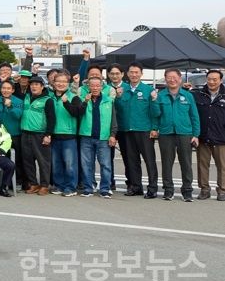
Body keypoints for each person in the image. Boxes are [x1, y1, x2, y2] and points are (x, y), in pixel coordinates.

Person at [151, 68, 201, 202]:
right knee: (167, 163)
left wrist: (196, 134)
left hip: (185, 133)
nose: (172, 80)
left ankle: (187, 191)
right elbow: (156, 115)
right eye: (169, 77)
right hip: (166, 132)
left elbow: (194, 115)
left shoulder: (188, 95)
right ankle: (168, 190)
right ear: (165, 79)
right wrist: (154, 102)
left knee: (186, 163)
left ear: (180, 79)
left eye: (174, 77)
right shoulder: (160, 95)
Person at [117, 63, 159, 197]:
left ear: (141, 74)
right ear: (127, 74)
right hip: (127, 130)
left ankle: (152, 188)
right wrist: (117, 97)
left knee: (149, 160)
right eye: (131, 72)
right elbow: (117, 110)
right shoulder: (122, 89)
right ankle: (136, 187)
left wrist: (154, 128)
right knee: (132, 160)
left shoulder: (148, 90)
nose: (134, 75)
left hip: (144, 130)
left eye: (136, 72)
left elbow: (155, 112)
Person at [78, 76, 118, 198]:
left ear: (101, 87)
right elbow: (78, 113)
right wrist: (85, 101)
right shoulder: (83, 99)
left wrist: (112, 135)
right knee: (86, 164)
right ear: (88, 87)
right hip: (86, 137)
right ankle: (88, 188)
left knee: (105, 164)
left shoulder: (108, 100)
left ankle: (105, 189)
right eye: (92, 85)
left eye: (97, 85)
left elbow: (113, 120)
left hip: (103, 137)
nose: (95, 88)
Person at [45, 73, 84, 197]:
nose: (60, 84)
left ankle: (71, 187)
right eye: (58, 81)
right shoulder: (50, 98)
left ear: (68, 83)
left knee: (70, 164)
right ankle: (59, 185)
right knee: (56, 163)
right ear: (53, 82)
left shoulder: (74, 97)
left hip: (69, 136)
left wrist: (66, 103)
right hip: (55, 135)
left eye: (64, 82)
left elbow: (77, 113)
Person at [193, 70, 224, 201]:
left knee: (222, 165)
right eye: (209, 79)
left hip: (221, 137)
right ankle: (204, 189)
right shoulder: (198, 94)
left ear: (221, 80)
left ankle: (222, 190)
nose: (212, 82)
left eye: (215, 79)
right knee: (202, 164)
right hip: (203, 136)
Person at [20, 76, 52, 195]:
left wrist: (48, 135)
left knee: (43, 161)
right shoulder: (27, 97)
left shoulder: (47, 100)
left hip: (40, 134)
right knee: (27, 161)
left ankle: (44, 185)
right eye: (32, 84)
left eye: (37, 84)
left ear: (42, 87)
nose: (34, 86)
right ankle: (33, 184)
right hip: (25, 133)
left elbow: (51, 118)